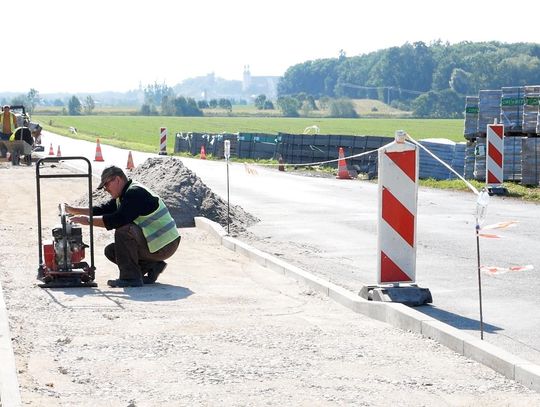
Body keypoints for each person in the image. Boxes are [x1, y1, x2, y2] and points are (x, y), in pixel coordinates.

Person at [66, 165, 181, 287]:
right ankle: (152, 266)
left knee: (124, 229)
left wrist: (87, 221)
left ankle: (130, 278)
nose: (106, 189)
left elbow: (118, 220)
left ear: (117, 180)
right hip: (159, 245)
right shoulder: (124, 194)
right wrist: (74, 210)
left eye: (106, 184)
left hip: (165, 245)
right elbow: (103, 210)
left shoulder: (134, 193)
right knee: (112, 251)